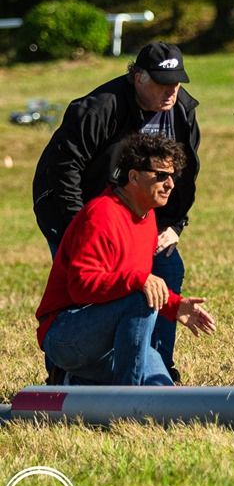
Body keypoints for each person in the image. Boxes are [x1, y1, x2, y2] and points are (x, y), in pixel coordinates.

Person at [32, 41, 200, 382]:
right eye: (161, 82)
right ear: (138, 78)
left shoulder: (180, 110)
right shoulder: (99, 109)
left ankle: (154, 363)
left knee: (166, 267)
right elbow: (65, 169)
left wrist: (175, 225)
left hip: (136, 211)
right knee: (102, 289)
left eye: (176, 83)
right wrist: (82, 224)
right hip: (78, 210)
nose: (171, 91)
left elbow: (183, 173)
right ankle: (65, 374)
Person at [36, 134, 215, 386]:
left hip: (106, 337)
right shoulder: (101, 215)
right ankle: (126, 401)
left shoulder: (147, 216)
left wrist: (175, 306)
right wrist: (138, 282)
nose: (170, 184)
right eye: (161, 175)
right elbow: (81, 286)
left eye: (172, 176)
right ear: (133, 177)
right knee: (141, 301)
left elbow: (132, 283)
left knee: (160, 388)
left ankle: (72, 382)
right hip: (65, 334)